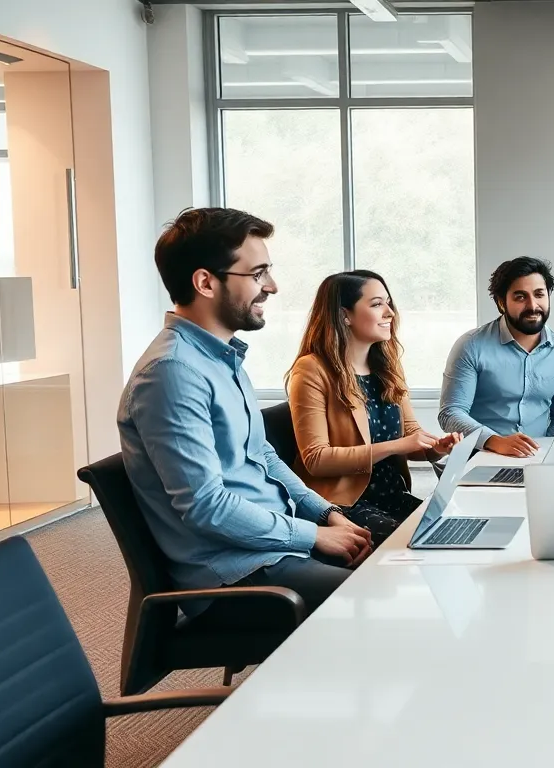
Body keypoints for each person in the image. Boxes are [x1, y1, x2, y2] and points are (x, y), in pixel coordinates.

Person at [118, 208, 373, 626]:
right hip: (236, 575)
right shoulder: (172, 372)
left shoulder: (221, 358)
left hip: (272, 546)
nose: (272, 287)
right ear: (205, 282)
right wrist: (314, 535)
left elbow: (263, 457)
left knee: (404, 567)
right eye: (257, 274)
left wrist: (324, 512)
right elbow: (206, 506)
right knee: (384, 602)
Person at [286, 270, 461, 545]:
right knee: (422, 543)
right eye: (377, 304)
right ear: (345, 315)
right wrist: (396, 446)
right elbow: (316, 459)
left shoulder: (388, 366)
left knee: (456, 527)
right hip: (343, 505)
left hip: (392, 498)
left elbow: (410, 432)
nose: (390, 312)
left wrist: (435, 447)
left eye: (388, 303)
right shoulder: (311, 370)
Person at [439, 257, 554, 457]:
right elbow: (450, 413)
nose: (533, 305)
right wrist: (494, 441)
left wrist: (546, 452)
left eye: (539, 294)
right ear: (501, 302)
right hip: (478, 455)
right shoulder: (471, 345)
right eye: (520, 297)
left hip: (537, 456)